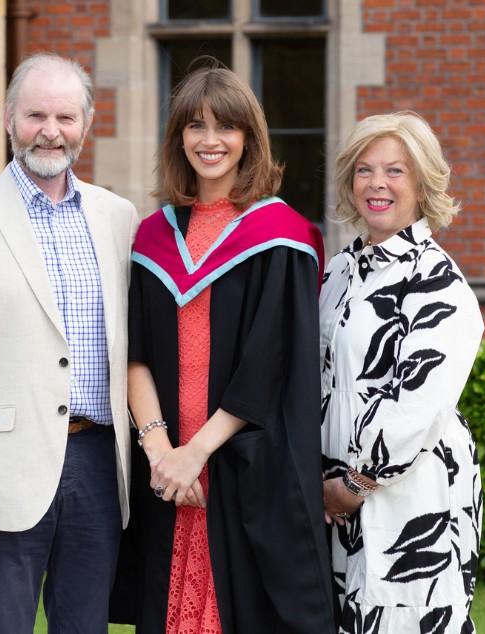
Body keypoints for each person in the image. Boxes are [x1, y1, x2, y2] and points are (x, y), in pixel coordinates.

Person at [0, 52, 140, 633]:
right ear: (8, 120)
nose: (51, 130)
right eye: (36, 114)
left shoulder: (120, 218)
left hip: (99, 464)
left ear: (86, 126)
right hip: (1, 476)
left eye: (66, 117)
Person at [110, 64, 336, 633]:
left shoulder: (279, 236)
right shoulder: (152, 235)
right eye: (195, 126)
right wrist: (162, 452)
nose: (210, 141)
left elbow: (269, 363)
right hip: (165, 468)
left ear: (248, 139)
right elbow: (133, 352)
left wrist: (197, 453)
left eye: (226, 128)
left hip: (236, 464)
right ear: (178, 138)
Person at [319, 112, 484, 633]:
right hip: (333, 493)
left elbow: (417, 403)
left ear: (423, 182)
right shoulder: (338, 271)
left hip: (408, 494)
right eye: (364, 170)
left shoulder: (436, 282)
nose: (377, 184)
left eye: (395, 171)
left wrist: (355, 483)